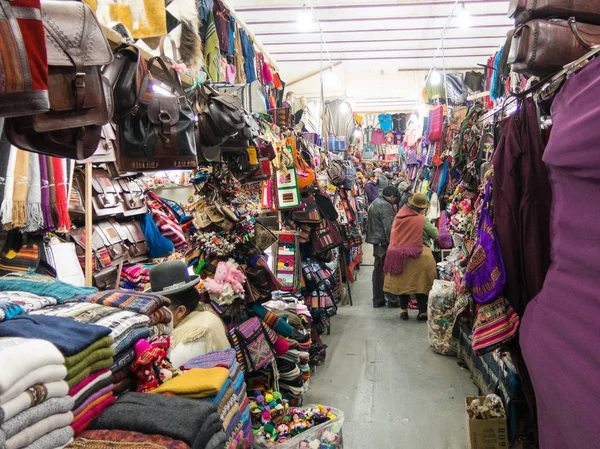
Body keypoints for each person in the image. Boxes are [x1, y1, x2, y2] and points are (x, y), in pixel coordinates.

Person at [147, 260, 231, 367]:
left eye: (160, 311)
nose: (157, 316)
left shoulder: (190, 338)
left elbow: (167, 369)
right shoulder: (204, 313)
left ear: (180, 311)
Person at [383, 193, 439, 321]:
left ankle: (404, 311)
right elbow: (435, 234)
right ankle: (423, 312)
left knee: (403, 283)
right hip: (419, 254)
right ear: (423, 208)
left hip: (399, 256)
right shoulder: (422, 219)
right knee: (421, 284)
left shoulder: (399, 217)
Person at [366, 185, 400, 308]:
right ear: (391, 196)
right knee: (386, 271)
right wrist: (394, 243)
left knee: (379, 270)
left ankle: (379, 299)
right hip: (382, 242)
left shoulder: (376, 201)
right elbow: (389, 227)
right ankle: (391, 300)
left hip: (377, 240)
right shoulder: (385, 205)